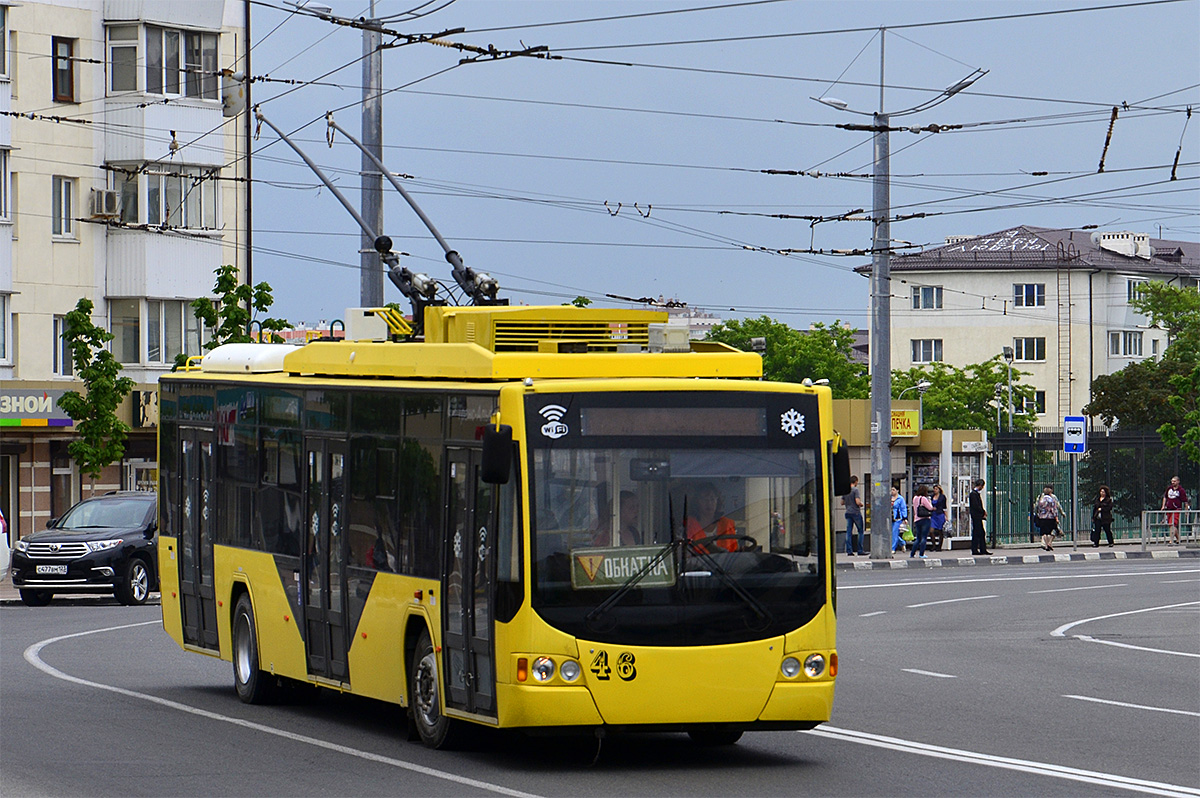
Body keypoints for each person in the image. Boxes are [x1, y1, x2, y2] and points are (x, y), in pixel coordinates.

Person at [686, 482, 737, 553]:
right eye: (704, 499)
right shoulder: (688, 525)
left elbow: (734, 551)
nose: (709, 503)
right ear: (697, 502)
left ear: (717, 501)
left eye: (712, 499)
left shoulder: (728, 524)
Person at [1160, 475, 1189, 545]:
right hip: (1169, 509)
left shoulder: (1181, 490)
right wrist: (1163, 506)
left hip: (1176, 509)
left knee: (1173, 524)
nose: (1173, 482)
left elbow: (1185, 501)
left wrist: (1186, 510)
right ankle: (1178, 538)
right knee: (1171, 525)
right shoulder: (1169, 488)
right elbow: (1165, 497)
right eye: (1172, 481)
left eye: (1174, 481)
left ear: (1178, 482)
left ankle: (1171, 540)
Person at [1034, 485, 1064, 551]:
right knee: (1053, 530)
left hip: (1042, 517)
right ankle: (1049, 543)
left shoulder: (1040, 499)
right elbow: (1054, 509)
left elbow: (1036, 506)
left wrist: (1037, 514)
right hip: (1051, 518)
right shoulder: (1052, 499)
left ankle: (1046, 544)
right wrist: (1057, 517)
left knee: (1044, 532)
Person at [968, 478, 991, 555]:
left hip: (978, 516)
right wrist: (983, 511)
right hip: (976, 516)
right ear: (980, 485)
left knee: (981, 533)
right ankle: (975, 549)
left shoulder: (975, 494)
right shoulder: (973, 494)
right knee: (977, 532)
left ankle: (982, 549)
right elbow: (976, 506)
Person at [842, 475, 865, 555]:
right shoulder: (855, 490)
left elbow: (842, 502)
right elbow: (857, 501)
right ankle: (860, 550)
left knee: (848, 532)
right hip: (855, 512)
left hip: (848, 512)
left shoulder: (845, 490)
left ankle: (849, 551)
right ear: (855, 482)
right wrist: (861, 504)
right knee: (860, 531)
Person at [910, 485, 933, 558]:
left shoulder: (915, 498)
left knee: (918, 537)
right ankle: (921, 553)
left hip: (917, 519)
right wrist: (929, 501)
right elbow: (930, 508)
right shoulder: (924, 499)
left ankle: (912, 553)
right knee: (924, 537)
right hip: (925, 519)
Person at [929, 484, 948, 552]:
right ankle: (933, 545)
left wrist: (946, 516)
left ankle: (939, 546)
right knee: (931, 530)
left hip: (940, 514)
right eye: (934, 489)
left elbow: (944, 507)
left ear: (939, 490)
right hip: (933, 515)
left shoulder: (942, 497)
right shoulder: (931, 497)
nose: (935, 490)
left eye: (936, 489)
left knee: (940, 531)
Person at [890, 485, 908, 553]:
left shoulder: (900, 499)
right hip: (890, 517)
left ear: (897, 490)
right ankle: (902, 543)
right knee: (892, 533)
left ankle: (893, 548)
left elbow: (903, 508)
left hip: (897, 518)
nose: (892, 491)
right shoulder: (889, 498)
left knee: (894, 533)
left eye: (893, 490)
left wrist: (905, 518)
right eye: (891, 490)